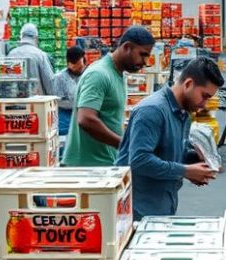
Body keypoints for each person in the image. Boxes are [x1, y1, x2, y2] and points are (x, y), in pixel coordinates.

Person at [117, 57, 224, 219]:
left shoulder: (183, 113)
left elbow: (167, 151)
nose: (204, 104)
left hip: (162, 206)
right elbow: (139, 160)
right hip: (137, 212)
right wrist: (186, 171)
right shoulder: (152, 111)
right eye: (204, 96)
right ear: (188, 84)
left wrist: (195, 161)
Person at [62, 26, 156, 167]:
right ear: (127, 47)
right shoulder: (99, 74)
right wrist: (123, 144)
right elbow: (86, 119)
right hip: (88, 168)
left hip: (103, 164)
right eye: (142, 54)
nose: (144, 62)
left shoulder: (116, 74)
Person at [7, 22, 56, 96]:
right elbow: (50, 85)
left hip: (15, 103)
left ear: (21, 37)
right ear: (36, 38)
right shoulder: (40, 55)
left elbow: (7, 83)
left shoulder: (11, 54)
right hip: (36, 103)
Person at [51, 46, 88, 141]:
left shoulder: (89, 75)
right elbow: (58, 100)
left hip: (85, 117)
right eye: (76, 66)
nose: (80, 69)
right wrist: (76, 104)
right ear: (68, 64)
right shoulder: (59, 78)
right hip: (65, 119)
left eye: (81, 66)